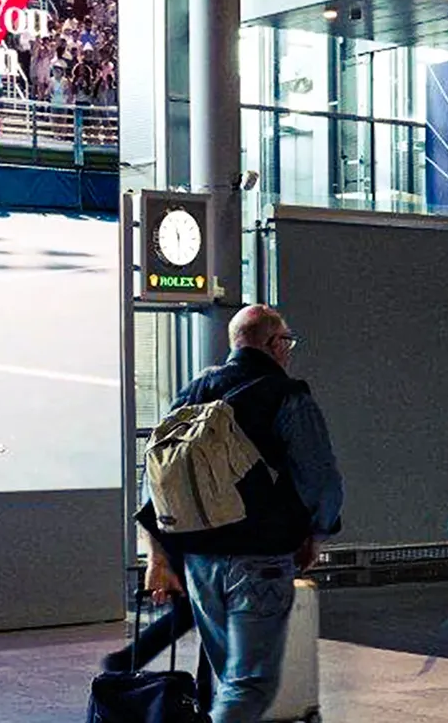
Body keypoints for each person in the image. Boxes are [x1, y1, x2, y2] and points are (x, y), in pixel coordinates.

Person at [112, 305, 344, 723]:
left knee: (229, 678)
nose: (288, 350)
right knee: (250, 684)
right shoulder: (287, 395)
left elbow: (159, 474)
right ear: (274, 344)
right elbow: (320, 477)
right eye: (287, 341)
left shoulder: (195, 390)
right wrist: (318, 533)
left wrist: (158, 556)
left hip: (200, 562)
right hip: (259, 557)